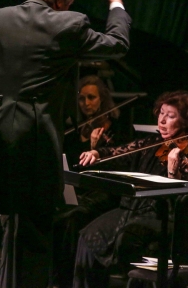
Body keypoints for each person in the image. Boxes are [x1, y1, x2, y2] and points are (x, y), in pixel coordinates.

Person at [0, 0, 132, 288]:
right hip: (34, 142)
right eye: (69, 2)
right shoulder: (70, 25)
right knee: (34, 234)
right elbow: (117, 44)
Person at [73, 90, 188, 287]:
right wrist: (97, 152)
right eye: (161, 113)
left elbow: (181, 192)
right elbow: (120, 152)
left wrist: (174, 172)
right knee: (87, 237)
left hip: (160, 214)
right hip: (131, 209)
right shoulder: (151, 142)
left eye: (170, 116)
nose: (162, 120)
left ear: (185, 122)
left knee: (127, 241)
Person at [56, 75, 123, 287]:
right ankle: (55, 279)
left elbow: (117, 168)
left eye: (92, 97)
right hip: (76, 188)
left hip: (102, 190)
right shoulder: (74, 130)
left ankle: (71, 278)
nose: (86, 103)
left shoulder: (114, 129)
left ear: (102, 98)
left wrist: (96, 149)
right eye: (82, 98)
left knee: (74, 217)